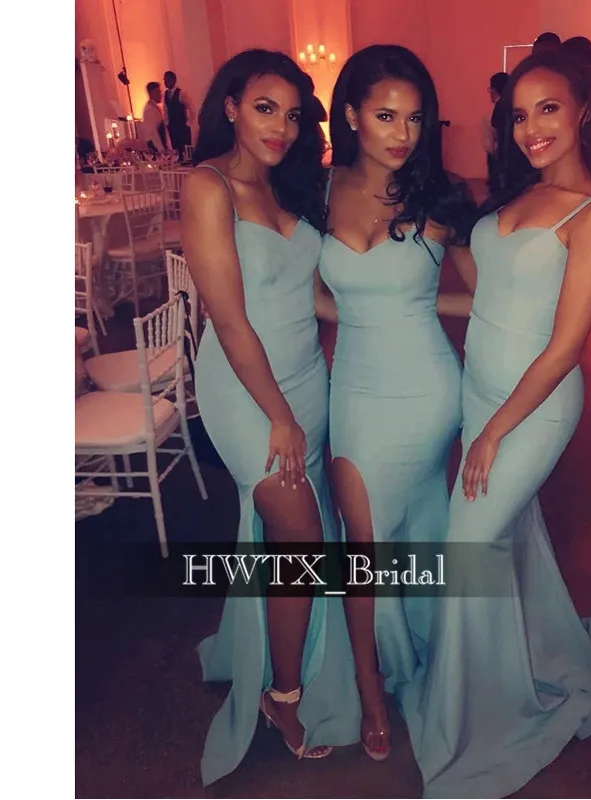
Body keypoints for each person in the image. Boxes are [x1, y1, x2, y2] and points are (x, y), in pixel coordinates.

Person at [410, 47, 591, 798]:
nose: (531, 128)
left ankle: (475, 718)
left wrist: (492, 433)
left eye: (548, 109)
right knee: (505, 539)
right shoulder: (515, 195)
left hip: (534, 406)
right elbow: (489, 299)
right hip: (482, 389)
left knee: (469, 546)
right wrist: (404, 300)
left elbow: (565, 346)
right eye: (518, 115)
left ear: (584, 111)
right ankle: (523, 654)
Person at [182, 49, 360, 786]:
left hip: (306, 379)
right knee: (300, 534)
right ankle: (282, 696)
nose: (281, 126)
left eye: (291, 114)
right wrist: (280, 417)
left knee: (295, 535)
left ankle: (265, 652)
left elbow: (310, 299)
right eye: (264, 108)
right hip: (245, 391)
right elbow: (229, 320)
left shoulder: (292, 190)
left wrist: (396, 310)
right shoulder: (208, 186)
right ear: (230, 106)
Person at [315, 43, 477, 762]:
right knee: (363, 548)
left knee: (422, 529)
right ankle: (371, 691)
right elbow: (314, 294)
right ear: (351, 115)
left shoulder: (440, 197)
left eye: (414, 118)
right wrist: (365, 310)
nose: (403, 133)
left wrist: (412, 304)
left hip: (429, 389)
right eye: (385, 116)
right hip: (356, 392)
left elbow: (484, 297)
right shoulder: (315, 191)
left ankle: (435, 657)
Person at [482, 71, 508, 176]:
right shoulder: (512, 104)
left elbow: (495, 126)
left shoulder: (500, 105)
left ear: (494, 90)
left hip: (501, 152)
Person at [163, 70, 195, 156]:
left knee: (186, 150)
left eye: (167, 79)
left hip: (182, 126)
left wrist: (188, 124)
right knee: (176, 150)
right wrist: (167, 124)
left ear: (174, 80)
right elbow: (165, 110)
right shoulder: (165, 94)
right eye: (164, 80)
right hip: (172, 127)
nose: (165, 82)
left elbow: (192, 109)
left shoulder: (181, 93)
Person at [139, 81, 166, 152]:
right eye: (159, 92)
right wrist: (161, 149)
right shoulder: (149, 110)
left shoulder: (155, 108)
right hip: (155, 147)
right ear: (153, 93)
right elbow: (152, 132)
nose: (161, 94)